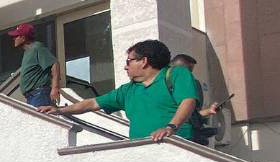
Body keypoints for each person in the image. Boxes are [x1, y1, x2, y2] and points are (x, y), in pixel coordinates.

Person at [39, 40, 198, 142]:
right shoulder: (127, 90)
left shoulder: (176, 74)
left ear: (144, 61)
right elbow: (92, 103)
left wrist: (171, 127)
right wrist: (59, 110)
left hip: (177, 146)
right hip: (142, 152)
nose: (125, 66)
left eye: (129, 61)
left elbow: (188, 101)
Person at [171, 54, 223, 144]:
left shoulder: (191, 86)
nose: (189, 76)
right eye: (188, 72)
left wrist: (209, 111)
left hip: (191, 133)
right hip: (180, 136)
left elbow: (192, 114)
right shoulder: (169, 88)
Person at [9, 23, 61, 108]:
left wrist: (55, 88)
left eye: (16, 36)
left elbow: (54, 64)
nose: (13, 38)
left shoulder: (37, 47)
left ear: (23, 38)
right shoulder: (28, 51)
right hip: (33, 96)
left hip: (39, 95)